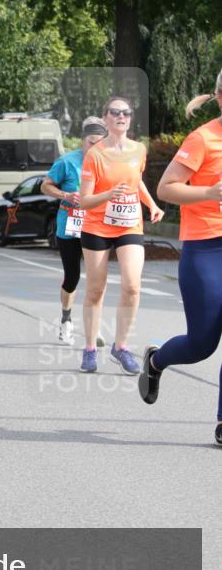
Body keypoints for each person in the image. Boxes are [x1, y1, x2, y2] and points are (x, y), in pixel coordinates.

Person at [139, 68, 222, 446]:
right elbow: (166, 188)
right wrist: (209, 194)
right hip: (206, 247)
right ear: (220, 97)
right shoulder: (203, 138)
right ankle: (156, 361)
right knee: (202, 343)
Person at [78, 96, 164, 374]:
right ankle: (90, 348)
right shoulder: (95, 154)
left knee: (132, 285)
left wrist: (151, 204)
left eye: (126, 112)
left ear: (130, 118)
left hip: (129, 224)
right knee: (95, 289)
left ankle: (121, 346)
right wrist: (108, 194)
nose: (121, 116)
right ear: (105, 118)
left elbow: (136, 180)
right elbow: (85, 200)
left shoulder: (139, 150)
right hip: (97, 226)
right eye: (115, 112)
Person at [41, 117, 108, 343]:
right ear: (83, 140)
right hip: (69, 225)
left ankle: (93, 325)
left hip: (97, 225)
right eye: (91, 142)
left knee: (97, 279)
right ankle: (66, 319)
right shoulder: (67, 162)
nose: (95, 147)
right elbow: (45, 185)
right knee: (73, 276)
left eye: (100, 142)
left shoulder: (108, 162)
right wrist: (66, 195)